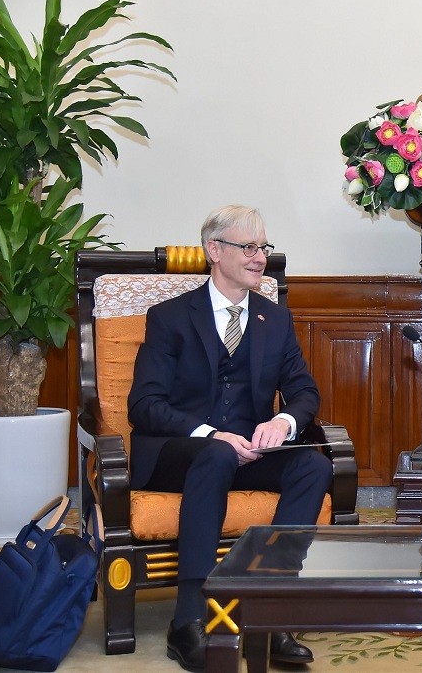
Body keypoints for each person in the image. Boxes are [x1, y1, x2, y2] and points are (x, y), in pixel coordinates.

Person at [128, 205, 333, 672]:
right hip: (179, 453)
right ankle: (188, 621)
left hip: (249, 449)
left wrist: (283, 424)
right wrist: (210, 433)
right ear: (214, 251)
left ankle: (270, 610)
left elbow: (304, 390)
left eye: (264, 247)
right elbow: (144, 405)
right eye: (249, 247)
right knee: (218, 455)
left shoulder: (274, 320)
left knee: (314, 465)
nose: (260, 257)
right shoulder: (170, 318)